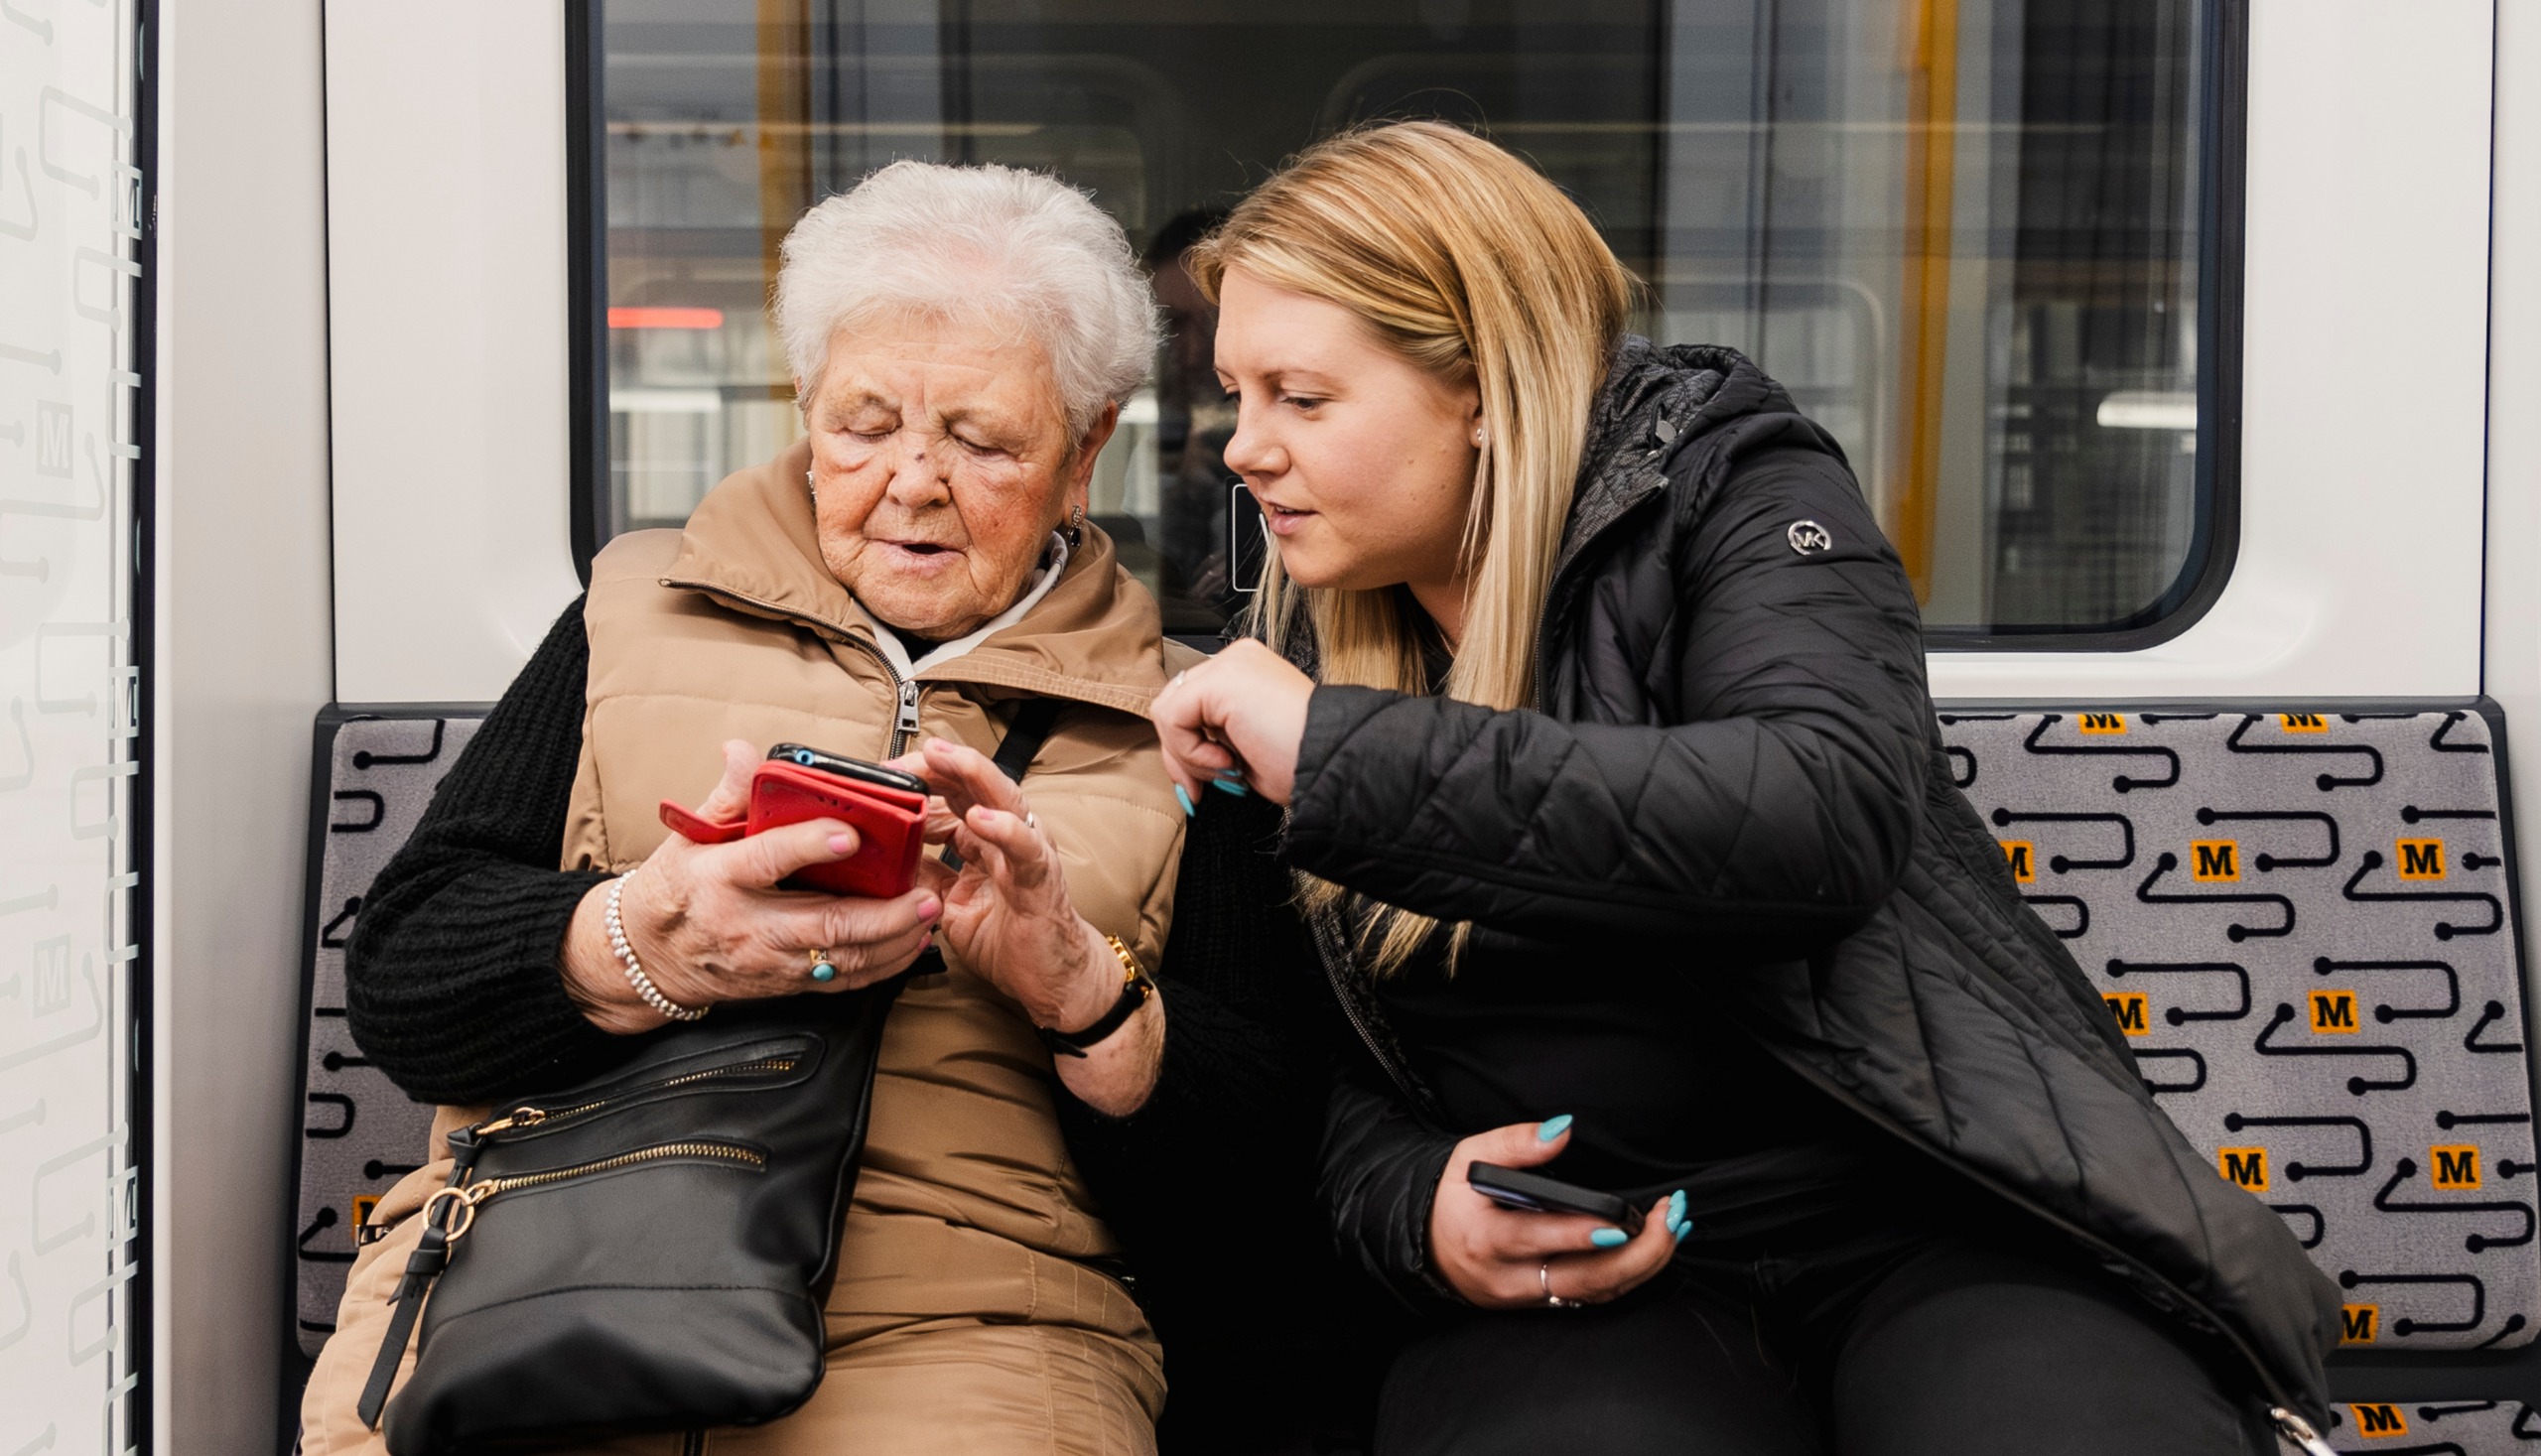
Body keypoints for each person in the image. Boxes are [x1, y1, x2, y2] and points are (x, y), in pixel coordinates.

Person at [1146, 121, 2342, 1456]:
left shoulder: (1733, 488)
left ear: (1482, 382)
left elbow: (1819, 811)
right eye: (1234, 396)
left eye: (1300, 399)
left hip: (1929, 1219)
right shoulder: (1302, 637)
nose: (1244, 448)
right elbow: (1316, 1063)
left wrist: (1338, 752)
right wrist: (1410, 1200)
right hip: (1597, 1262)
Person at [300, 161, 1368, 1456]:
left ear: (1087, 449)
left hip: (975, 1329)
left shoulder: (1191, 717)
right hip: (546, 1271)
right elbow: (406, 982)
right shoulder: (625, 616)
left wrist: (1080, 987)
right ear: (804, 405)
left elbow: (1260, 1173)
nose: (911, 481)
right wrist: (650, 938)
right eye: (862, 423)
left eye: (978, 438)